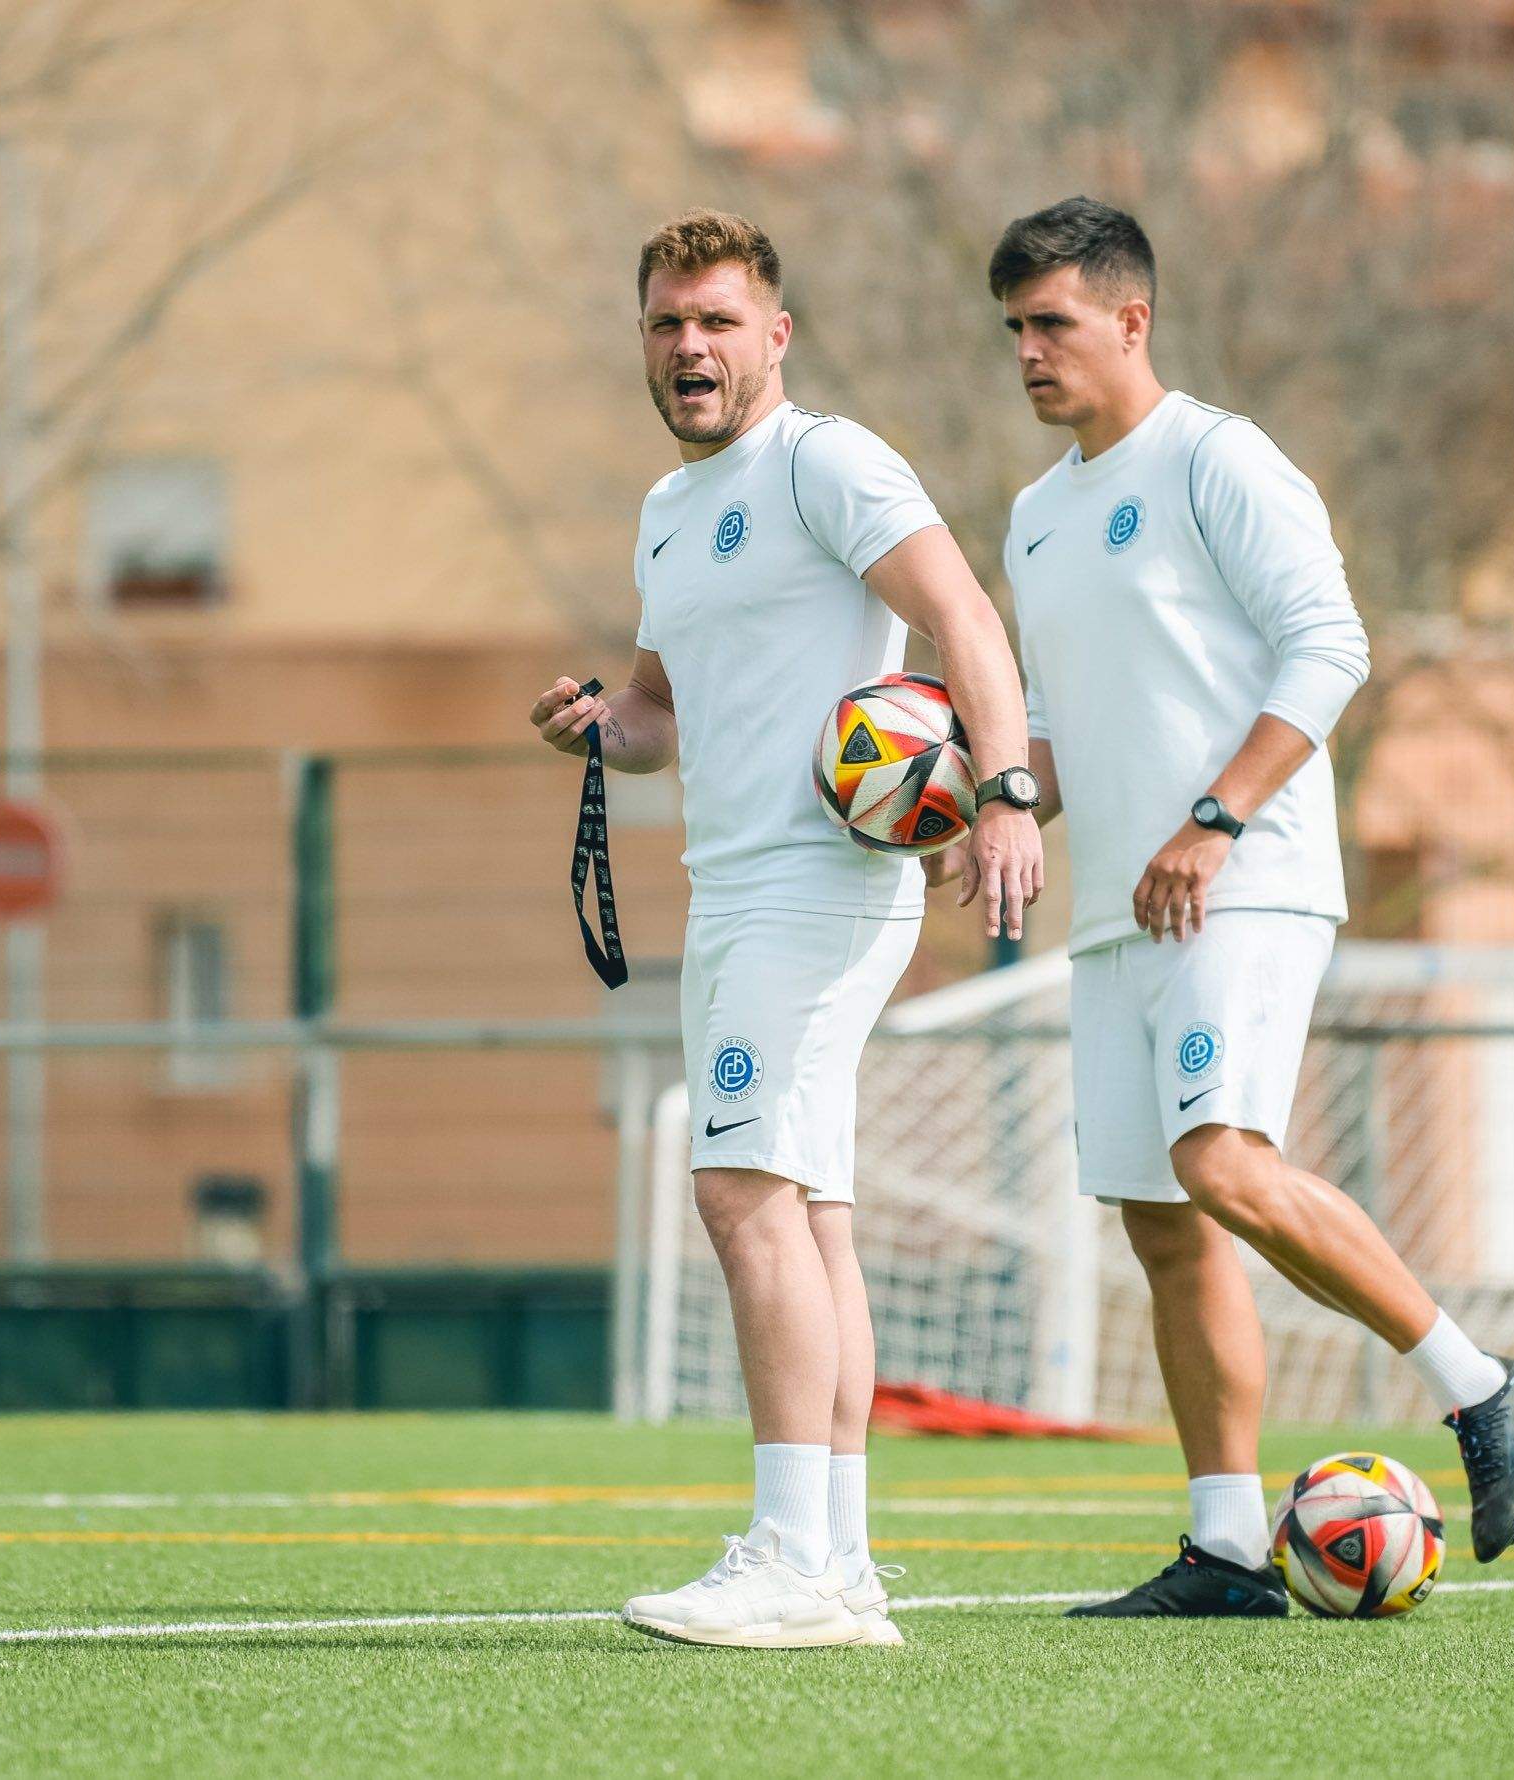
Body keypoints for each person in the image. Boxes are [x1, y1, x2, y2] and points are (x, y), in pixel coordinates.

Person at [945, 195, 1514, 1618]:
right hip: (1121, 911)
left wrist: (1213, 822)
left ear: (1132, 319)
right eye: (1013, 329)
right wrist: (990, 806)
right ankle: (1224, 1547)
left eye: (1052, 324)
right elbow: (1064, 727)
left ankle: (1479, 1384)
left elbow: (1331, 647)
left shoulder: (1220, 458)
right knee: (1163, 1221)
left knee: (1219, 1160)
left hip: (1242, 879)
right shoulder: (1035, 518)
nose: (1027, 352)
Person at [532, 209, 1043, 1647]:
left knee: (738, 1192)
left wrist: (1005, 795)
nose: (689, 346)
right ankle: (844, 1564)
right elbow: (660, 711)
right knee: (809, 1214)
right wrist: (597, 727)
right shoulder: (666, 508)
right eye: (666, 322)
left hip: (822, 886)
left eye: (716, 320)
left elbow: (967, 620)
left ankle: (788, 1558)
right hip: (734, 889)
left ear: (775, 334)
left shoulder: (828, 462)